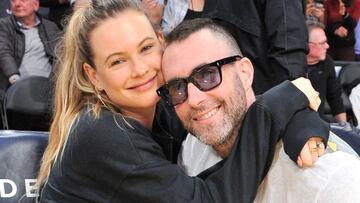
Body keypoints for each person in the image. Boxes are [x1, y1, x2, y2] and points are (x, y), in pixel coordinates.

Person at [37, 1, 326, 202]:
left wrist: (297, 117)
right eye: (117, 61)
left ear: (161, 41)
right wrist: (279, 104)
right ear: (94, 76)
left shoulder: (161, 109)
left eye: (146, 48)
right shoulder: (103, 133)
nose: (140, 69)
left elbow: (230, 115)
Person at [159, 18, 360, 202]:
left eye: (207, 75)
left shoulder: (331, 179)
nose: (193, 100)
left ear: (245, 73)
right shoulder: (192, 148)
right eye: (177, 88)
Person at [161, 0, 308, 94]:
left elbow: (289, 49)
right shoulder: (178, 6)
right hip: (210, 111)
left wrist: (288, 103)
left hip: (262, 104)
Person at [0, 0, 60, 98]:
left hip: (49, 88)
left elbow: (61, 56)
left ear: (36, 5)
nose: (17, 4)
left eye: (23, 0)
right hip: (16, 87)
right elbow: (3, 52)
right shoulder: (4, 25)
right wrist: (15, 79)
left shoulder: (50, 27)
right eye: (14, 1)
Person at [306, 20, 347, 123]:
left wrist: (345, 128)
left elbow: (335, 98)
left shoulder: (327, 62)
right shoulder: (291, 65)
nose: (327, 46)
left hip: (318, 122)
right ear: (307, 45)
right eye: (322, 43)